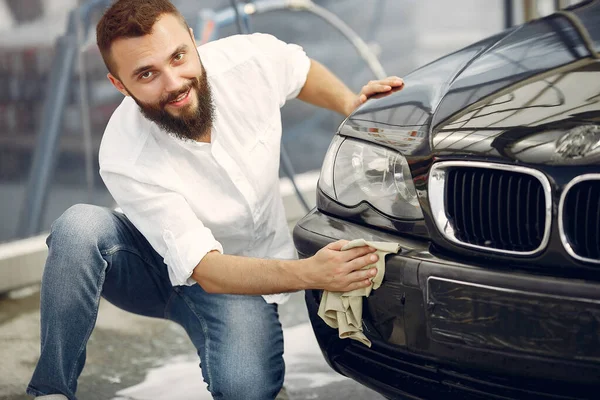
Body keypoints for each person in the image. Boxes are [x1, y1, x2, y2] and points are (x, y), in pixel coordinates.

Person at [26, 0, 405, 399]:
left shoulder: (249, 61)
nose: (173, 83)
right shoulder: (123, 152)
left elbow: (299, 70)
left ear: (193, 40)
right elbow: (203, 267)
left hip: (239, 279)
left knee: (246, 388)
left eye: (178, 56)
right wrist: (312, 273)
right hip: (152, 269)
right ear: (120, 85)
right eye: (146, 74)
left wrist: (349, 104)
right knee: (78, 227)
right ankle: (51, 390)